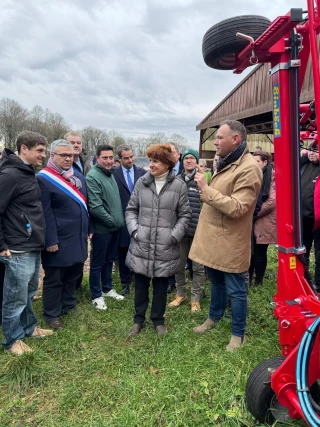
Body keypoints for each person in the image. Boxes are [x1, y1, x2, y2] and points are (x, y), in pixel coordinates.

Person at [189, 120, 262, 351]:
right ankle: (214, 316)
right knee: (216, 281)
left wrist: (205, 189)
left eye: (220, 137)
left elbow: (238, 207)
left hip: (230, 238)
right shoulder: (226, 162)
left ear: (236, 140)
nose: (216, 141)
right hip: (214, 235)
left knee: (236, 288)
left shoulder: (249, 168)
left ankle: (238, 334)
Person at [126, 143, 191, 336]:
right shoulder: (142, 183)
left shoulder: (178, 186)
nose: (151, 165)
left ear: (167, 164)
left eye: (155, 161)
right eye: (150, 161)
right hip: (142, 244)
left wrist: (173, 236)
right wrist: (135, 232)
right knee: (140, 284)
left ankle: (158, 320)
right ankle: (138, 320)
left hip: (165, 245)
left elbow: (185, 215)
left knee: (161, 285)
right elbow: (131, 210)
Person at [0, 131, 53, 355]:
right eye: (39, 151)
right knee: (15, 296)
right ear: (24, 148)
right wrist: (2, 245)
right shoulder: (10, 175)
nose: (43, 155)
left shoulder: (28, 172)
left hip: (32, 245)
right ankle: (13, 340)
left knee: (29, 291)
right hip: (16, 247)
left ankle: (29, 328)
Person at [37, 139, 90, 330]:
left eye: (71, 156)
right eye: (64, 155)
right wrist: (50, 240)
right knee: (55, 277)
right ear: (52, 156)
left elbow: (84, 205)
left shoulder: (76, 176)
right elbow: (45, 213)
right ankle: (52, 314)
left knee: (74, 272)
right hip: (58, 238)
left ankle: (69, 305)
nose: (69, 159)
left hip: (77, 236)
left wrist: (88, 227)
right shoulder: (43, 178)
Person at [86, 144, 125, 310]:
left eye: (111, 158)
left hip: (115, 228)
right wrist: (111, 221)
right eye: (105, 158)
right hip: (103, 230)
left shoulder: (110, 174)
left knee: (109, 260)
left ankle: (107, 288)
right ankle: (96, 295)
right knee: (97, 262)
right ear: (97, 159)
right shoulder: (93, 177)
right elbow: (95, 207)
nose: (109, 161)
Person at [168, 149, 205, 312]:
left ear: (196, 161)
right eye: (186, 158)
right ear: (181, 162)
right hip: (181, 231)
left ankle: (195, 298)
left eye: (192, 158)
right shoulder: (176, 181)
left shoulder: (202, 180)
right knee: (179, 265)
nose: (189, 161)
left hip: (199, 231)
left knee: (198, 268)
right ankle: (181, 293)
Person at [113, 144, 146, 296]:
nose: (130, 160)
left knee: (139, 248)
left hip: (141, 217)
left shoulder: (142, 173)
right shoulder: (114, 174)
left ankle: (137, 278)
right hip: (122, 217)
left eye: (132, 157)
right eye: (126, 158)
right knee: (123, 249)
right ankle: (125, 281)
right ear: (119, 159)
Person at [249, 152, 276, 286]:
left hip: (263, 219)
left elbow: (272, 202)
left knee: (260, 251)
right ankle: (249, 276)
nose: (254, 164)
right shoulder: (254, 175)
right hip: (253, 218)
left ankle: (258, 280)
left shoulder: (271, 177)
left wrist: (253, 212)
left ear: (265, 162)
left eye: (257, 161)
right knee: (250, 250)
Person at [301, 148, 320, 289]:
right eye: (311, 150)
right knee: (303, 251)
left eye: (316, 151)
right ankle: (304, 280)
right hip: (304, 219)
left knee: (319, 254)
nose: (312, 153)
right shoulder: (305, 166)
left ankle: (319, 284)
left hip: (318, 222)